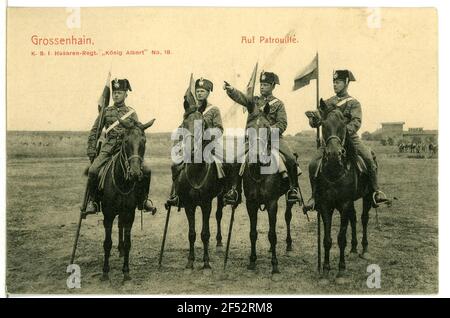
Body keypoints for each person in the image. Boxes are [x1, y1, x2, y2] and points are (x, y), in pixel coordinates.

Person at [304, 70, 389, 210]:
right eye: (333, 82)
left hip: (350, 137)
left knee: (368, 158)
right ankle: (314, 197)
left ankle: (376, 191)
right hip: (331, 141)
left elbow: (356, 122)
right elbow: (318, 122)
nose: (335, 85)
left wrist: (342, 132)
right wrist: (313, 119)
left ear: (346, 83)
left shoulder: (354, 103)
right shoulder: (327, 102)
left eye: (338, 82)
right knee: (313, 163)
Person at [223, 71, 302, 204]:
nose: (262, 87)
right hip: (253, 139)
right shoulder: (253, 101)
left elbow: (282, 123)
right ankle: (234, 191)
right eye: (261, 84)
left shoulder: (279, 104)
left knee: (290, 158)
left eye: (265, 84)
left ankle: (292, 190)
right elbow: (241, 97)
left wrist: (269, 131)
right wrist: (231, 90)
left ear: (272, 86)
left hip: (274, 139)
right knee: (235, 159)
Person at [85, 78, 155, 214]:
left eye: (120, 92)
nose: (116, 95)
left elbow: (136, 132)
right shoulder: (106, 112)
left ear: (126, 94)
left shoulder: (131, 112)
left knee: (146, 170)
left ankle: (143, 200)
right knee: (93, 170)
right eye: (114, 92)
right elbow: (95, 131)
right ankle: (93, 202)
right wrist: (91, 148)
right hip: (108, 147)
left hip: (126, 149)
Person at [165, 77, 224, 207]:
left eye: (202, 91)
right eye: (197, 91)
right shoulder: (190, 109)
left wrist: (206, 134)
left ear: (208, 93)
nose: (199, 93)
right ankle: (176, 194)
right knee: (175, 164)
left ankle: (225, 192)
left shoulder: (214, 110)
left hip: (209, 145)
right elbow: (184, 126)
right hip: (190, 144)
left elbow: (219, 129)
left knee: (224, 163)